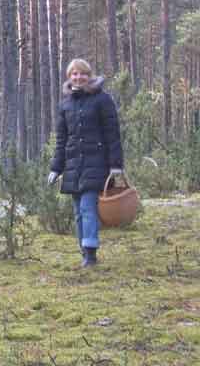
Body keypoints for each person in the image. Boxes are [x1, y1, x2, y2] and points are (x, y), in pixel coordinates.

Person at [48, 59, 124, 268]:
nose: (78, 77)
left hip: (96, 164)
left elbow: (112, 134)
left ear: (89, 76)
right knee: (78, 212)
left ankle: (90, 254)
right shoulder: (65, 104)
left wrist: (116, 164)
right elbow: (62, 139)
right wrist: (56, 168)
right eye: (74, 74)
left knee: (87, 207)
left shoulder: (102, 99)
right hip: (73, 166)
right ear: (69, 77)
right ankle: (84, 249)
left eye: (82, 74)